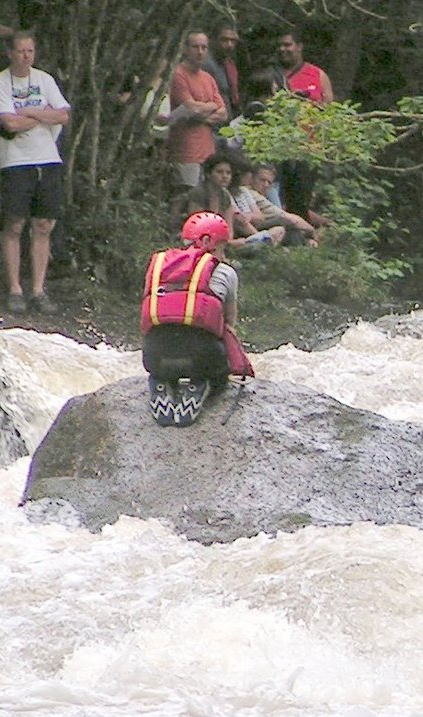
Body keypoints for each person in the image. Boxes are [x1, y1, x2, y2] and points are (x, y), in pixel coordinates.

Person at [140, 211, 253, 427]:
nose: (224, 252)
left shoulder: (158, 266)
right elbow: (229, 325)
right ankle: (199, 384)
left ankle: (162, 380)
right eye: (223, 246)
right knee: (220, 374)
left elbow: (150, 317)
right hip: (202, 359)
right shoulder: (225, 272)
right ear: (213, 244)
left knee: (166, 349)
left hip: (154, 356)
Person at [0, 30, 71, 314]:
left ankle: (38, 289)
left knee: (44, 225)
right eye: (21, 51)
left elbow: (62, 115)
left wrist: (28, 115)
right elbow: (9, 124)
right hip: (15, 161)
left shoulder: (44, 80)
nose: (26, 57)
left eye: (30, 52)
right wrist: (41, 114)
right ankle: (14, 288)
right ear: (10, 53)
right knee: (14, 224)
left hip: (47, 158)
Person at [272, 29, 332, 225]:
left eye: (288, 45)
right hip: (276, 147)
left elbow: (330, 111)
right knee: (277, 196)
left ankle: (300, 238)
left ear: (299, 46)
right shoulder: (272, 75)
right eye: (280, 45)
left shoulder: (317, 74)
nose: (283, 49)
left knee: (302, 197)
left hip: (308, 148)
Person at [167, 31, 227, 190]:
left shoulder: (208, 78)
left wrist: (202, 114)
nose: (200, 52)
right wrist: (211, 106)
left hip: (208, 151)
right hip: (185, 151)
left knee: (207, 199)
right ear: (186, 49)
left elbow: (223, 113)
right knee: (186, 197)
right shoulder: (178, 74)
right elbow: (190, 108)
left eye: (204, 47)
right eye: (195, 47)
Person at [204, 20, 241, 123]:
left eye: (233, 41)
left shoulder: (229, 65)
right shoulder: (206, 65)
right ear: (213, 40)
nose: (229, 45)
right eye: (224, 40)